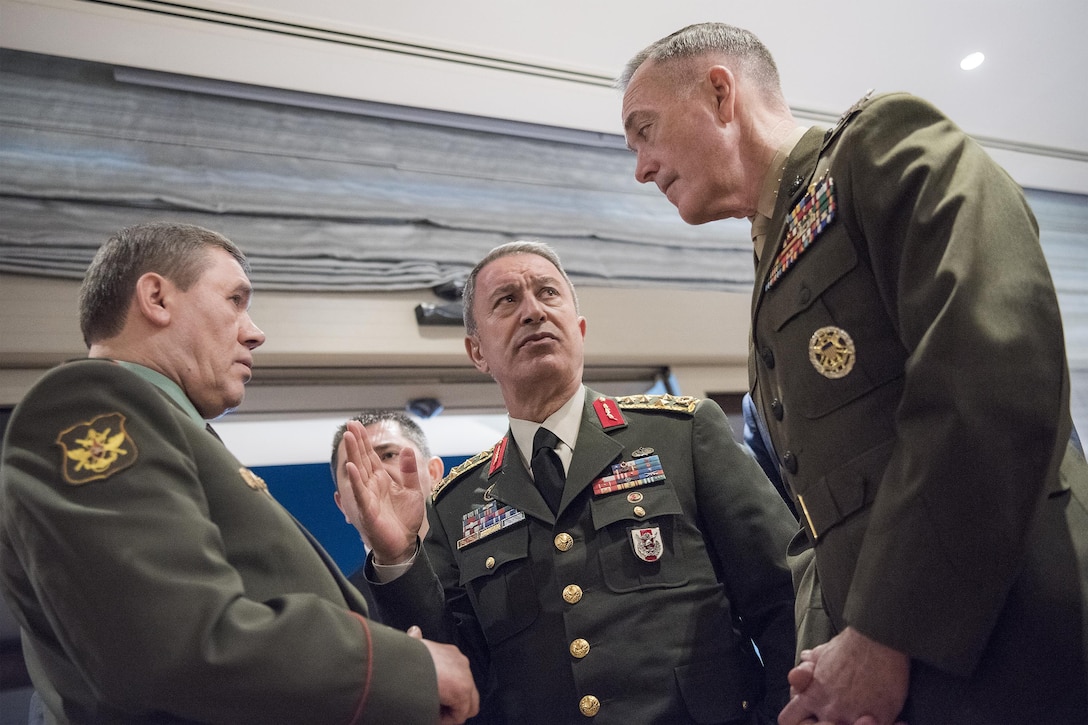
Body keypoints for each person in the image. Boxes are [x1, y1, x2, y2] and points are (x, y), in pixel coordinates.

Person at [619, 22, 1088, 725]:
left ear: (720, 93)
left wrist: (883, 634)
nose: (640, 167)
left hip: (1013, 649)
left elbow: (992, 370)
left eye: (644, 131)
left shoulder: (878, 145)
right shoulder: (774, 260)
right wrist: (827, 666)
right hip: (907, 677)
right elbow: (817, 521)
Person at [0, 222, 478, 724]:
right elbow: (173, 643)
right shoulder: (88, 404)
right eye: (235, 300)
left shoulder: (171, 429)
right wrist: (405, 670)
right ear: (157, 297)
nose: (255, 331)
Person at [340, 240, 799, 723]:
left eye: (548, 293)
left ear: (579, 330)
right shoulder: (456, 505)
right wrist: (397, 556)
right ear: (477, 352)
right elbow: (455, 674)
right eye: (507, 301)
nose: (533, 311)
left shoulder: (681, 435)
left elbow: (786, 594)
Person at [330, 410, 445, 618]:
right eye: (354, 466)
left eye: (389, 455)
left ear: (434, 473)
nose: (375, 474)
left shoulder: (482, 570)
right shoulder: (338, 613)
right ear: (342, 506)